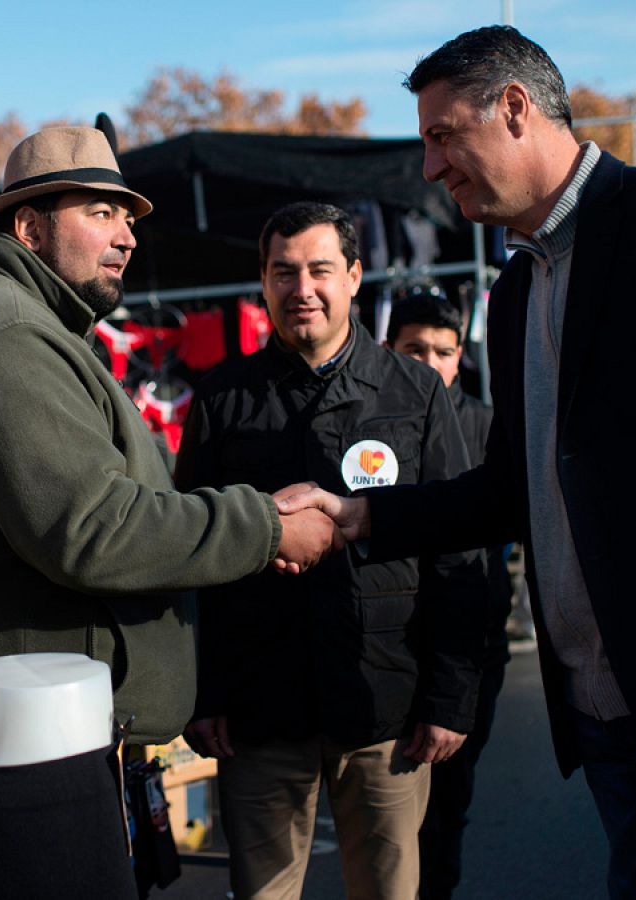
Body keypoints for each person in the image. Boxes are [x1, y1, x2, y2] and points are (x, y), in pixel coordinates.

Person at [276, 26, 636, 899]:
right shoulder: (516, 294)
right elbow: (512, 487)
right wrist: (360, 515)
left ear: (515, 108)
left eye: (442, 136)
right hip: (602, 718)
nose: (431, 167)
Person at [0, 126, 336, 825]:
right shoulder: (6, 336)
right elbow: (94, 529)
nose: (127, 236)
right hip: (14, 749)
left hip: (38, 731)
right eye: (101, 213)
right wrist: (265, 526)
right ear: (29, 228)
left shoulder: (35, 327)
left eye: (127, 217)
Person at [173, 203, 485, 900]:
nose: (301, 288)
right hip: (259, 712)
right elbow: (190, 557)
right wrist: (203, 693)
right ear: (262, 281)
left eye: (318, 270)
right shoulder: (224, 399)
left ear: (353, 276)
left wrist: (451, 697)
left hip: (385, 712)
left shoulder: (415, 393)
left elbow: (460, 555)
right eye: (283, 272)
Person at [383, 293, 514, 900]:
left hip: (469, 655)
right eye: (415, 350)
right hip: (392, 654)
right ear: (390, 351)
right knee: (387, 825)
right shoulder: (375, 426)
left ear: (461, 357)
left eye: (443, 351)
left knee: (446, 812)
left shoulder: (490, 428)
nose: (430, 363)